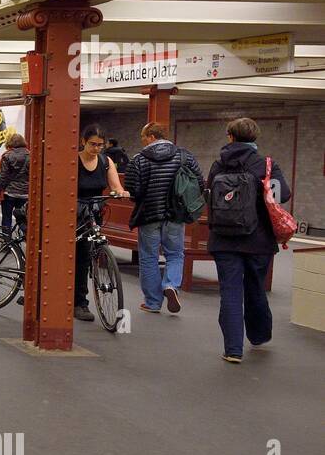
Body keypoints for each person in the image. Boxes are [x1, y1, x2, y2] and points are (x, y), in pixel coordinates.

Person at [205, 117, 291, 363]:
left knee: (230, 292)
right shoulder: (266, 165)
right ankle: (259, 335)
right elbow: (281, 194)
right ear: (255, 138)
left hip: (223, 238)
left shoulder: (218, 165)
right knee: (255, 287)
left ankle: (233, 350)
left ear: (230, 136)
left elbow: (209, 194)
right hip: (258, 239)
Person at [123, 121, 202, 315]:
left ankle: (152, 302)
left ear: (150, 136)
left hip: (149, 215)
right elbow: (198, 181)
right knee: (175, 254)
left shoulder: (139, 159)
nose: (142, 142)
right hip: (176, 215)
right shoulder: (184, 155)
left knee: (148, 257)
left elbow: (133, 189)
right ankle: (170, 285)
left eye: (143, 138)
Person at [74, 124, 129, 322]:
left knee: (84, 256)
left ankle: (80, 302)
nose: (96, 148)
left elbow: (116, 185)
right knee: (65, 254)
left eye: (100, 145)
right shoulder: (73, 161)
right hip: (71, 212)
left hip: (93, 212)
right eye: (92, 144)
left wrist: (120, 192)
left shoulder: (106, 162)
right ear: (83, 142)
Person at [0, 132, 29, 235]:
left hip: (9, 194)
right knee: (23, 218)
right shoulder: (30, 155)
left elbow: (2, 178)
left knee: (6, 218)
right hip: (25, 193)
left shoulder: (7, 156)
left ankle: (7, 243)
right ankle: (27, 239)